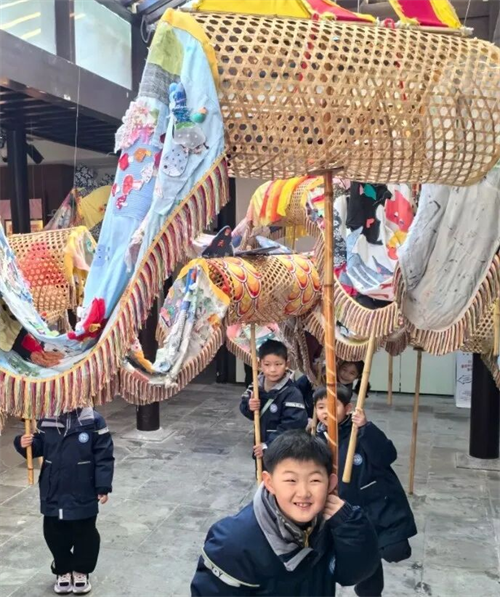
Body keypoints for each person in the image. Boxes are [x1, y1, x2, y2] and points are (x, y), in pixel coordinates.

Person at [191, 430, 380, 596]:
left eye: (314, 480)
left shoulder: (330, 523)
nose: (304, 492)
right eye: (291, 480)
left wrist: (350, 525)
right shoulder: (233, 544)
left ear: (330, 483)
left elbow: (351, 575)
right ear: (269, 482)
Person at [313, 386, 417, 597]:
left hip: (371, 505)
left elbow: (387, 455)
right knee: (355, 556)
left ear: (348, 408)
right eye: (321, 407)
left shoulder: (359, 432)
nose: (326, 412)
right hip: (339, 510)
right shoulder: (316, 439)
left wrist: (365, 428)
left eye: (333, 406)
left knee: (391, 550)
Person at [14, 407, 114, 595]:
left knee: (85, 534)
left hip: (83, 488)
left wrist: (103, 486)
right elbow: (39, 447)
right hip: (53, 488)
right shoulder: (46, 419)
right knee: (54, 534)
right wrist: (24, 443)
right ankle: (62, 569)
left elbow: (104, 455)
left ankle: (81, 570)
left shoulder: (93, 420)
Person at [240, 339, 307, 460]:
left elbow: (293, 426)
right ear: (259, 364)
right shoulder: (256, 386)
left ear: (287, 364)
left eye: (278, 364)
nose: (272, 370)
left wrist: (268, 445)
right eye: (267, 364)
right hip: (261, 449)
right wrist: (250, 407)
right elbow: (245, 407)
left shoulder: (292, 393)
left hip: (283, 452)